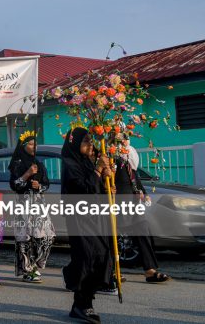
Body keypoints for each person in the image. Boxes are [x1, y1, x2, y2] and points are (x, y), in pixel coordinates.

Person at [61, 127, 114, 324]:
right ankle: (82, 305)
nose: (90, 145)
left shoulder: (87, 162)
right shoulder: (69, 163)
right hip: (80, 219)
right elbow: (83, 189)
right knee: (87, 257)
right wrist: (98, 170)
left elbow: (96, 189)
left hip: (96, 218)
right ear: (75, 143)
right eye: (86, 141)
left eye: (91, 141)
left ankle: (83, 301)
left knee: (101, 255)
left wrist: (108, 182)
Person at [115, 143, 169, 284]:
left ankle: (149, 270)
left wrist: (144, 193)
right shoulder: (111, 157)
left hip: (134, 203)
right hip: (118, 203)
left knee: (143, 231)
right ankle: (112, 272)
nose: (124, 142)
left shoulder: (128, 160)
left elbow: (134, 178)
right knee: (113, 238)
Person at [8, 131, 55, 283]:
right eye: (30, 144)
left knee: (47, 235)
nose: (34, 146)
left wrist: (39, 185)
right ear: (23, 146)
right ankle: (28, 269)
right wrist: (27, 175)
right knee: (25, 238)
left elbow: (46, 184)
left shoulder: (38, 164)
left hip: (39, 205)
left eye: (35, 144)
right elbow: (15, 185)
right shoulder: (17, 164)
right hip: (24, 205)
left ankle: (36, 263)